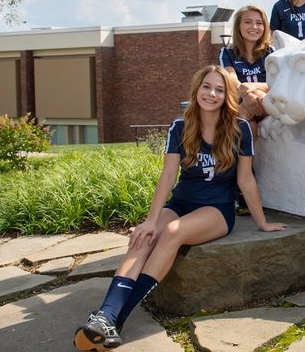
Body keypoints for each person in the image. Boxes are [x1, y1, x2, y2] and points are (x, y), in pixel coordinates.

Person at [73, 66, 286, 351]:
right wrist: (150, 221)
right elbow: (167, 176)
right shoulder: (180, 127)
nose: (212, 94)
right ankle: (106, 318)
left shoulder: (240, 128)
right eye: (206, 87)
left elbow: (245, 180)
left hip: (216, 210)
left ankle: (112, 319)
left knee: (172, 232)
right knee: (143, 238)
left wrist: (262, 222)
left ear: (227, 96)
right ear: (196, 89)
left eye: (220, 90)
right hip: (181, 202)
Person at [220, 5, 273, 123]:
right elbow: (231, 79)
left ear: (264, 27)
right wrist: (247, 95)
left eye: (259, 23)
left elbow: (277, 82)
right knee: (251, 125)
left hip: (266, 101)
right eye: (248, 22)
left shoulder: (271, 52)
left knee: (259, 95)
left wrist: (251, 87)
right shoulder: (227, 52)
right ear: (238, 26)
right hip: (239, 101)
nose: (254, 27)